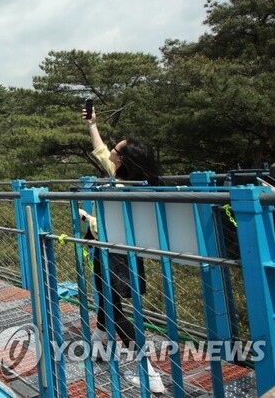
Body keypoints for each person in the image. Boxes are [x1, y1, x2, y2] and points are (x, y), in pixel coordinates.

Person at [80, 103, 165, 394]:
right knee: (108, 301)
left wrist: (86, 218)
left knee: (114, 308)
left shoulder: (120, 188)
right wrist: (92, 124)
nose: (110, 152)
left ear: (124, 161)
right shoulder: (132, 181)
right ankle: (98, 342)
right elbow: (102, 152)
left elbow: (105, 228)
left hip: (113, 253)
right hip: (124, 253)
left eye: (116, 151)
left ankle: (149, 372)